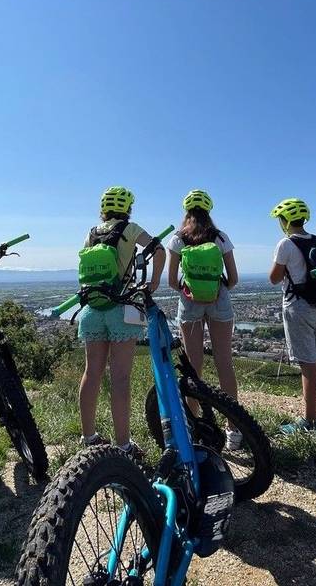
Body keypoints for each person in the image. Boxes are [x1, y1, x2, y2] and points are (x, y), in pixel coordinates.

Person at [77, 186, 165, 460]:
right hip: (121, 307)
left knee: (92, 372)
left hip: (92, 307)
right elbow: (159, 250)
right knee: (120, 377)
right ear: (128, 208)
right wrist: (153, 282)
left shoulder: (92, 232)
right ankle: (123, 445)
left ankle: (89, 437)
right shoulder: (130, 229)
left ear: (103, 209)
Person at [166, 190, 242, 449]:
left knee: (193, 367)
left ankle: (193, 428)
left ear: (186, 212)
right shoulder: (220, 238)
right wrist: (215, 291)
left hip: (189, 304)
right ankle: (234, 430)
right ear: (209, 211)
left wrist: (190, 291)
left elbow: (171, 281)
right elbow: (233, 278)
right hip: (219, 300)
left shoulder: (178, 239)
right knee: (224, 363)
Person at [268, 198, 316, 433]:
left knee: (308, 367)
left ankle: (309, 423)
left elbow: (274, 278)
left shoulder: (285, 244)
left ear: (284, 220)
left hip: (298, 308)